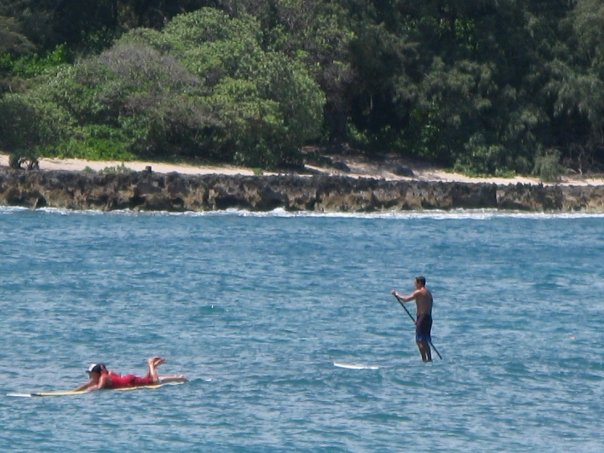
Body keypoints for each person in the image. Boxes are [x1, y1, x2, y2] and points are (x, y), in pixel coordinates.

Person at [74, 356, 187, 391]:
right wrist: (74, 391)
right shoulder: (101, 377)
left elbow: (99, 388)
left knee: (153, 382)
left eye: (91, 373)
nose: (89, 375)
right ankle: (178, 378)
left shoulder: (103, 378)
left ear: (97, 373)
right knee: (149, 380)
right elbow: (87, 384)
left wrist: (89, 391)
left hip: (130, 381)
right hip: (128, 380)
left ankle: (151, 364)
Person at [392, 276, 434, 362]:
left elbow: (406, 299)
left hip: (422, 317)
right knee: (425, 340)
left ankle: (424, 360)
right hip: (428, 317)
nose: (414, 284)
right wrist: (419, 319)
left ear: (419, 283)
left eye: (415, 282)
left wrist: (396, 294)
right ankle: (429, 359)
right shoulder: (428, 293)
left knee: (419, 341)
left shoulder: (419, 292)